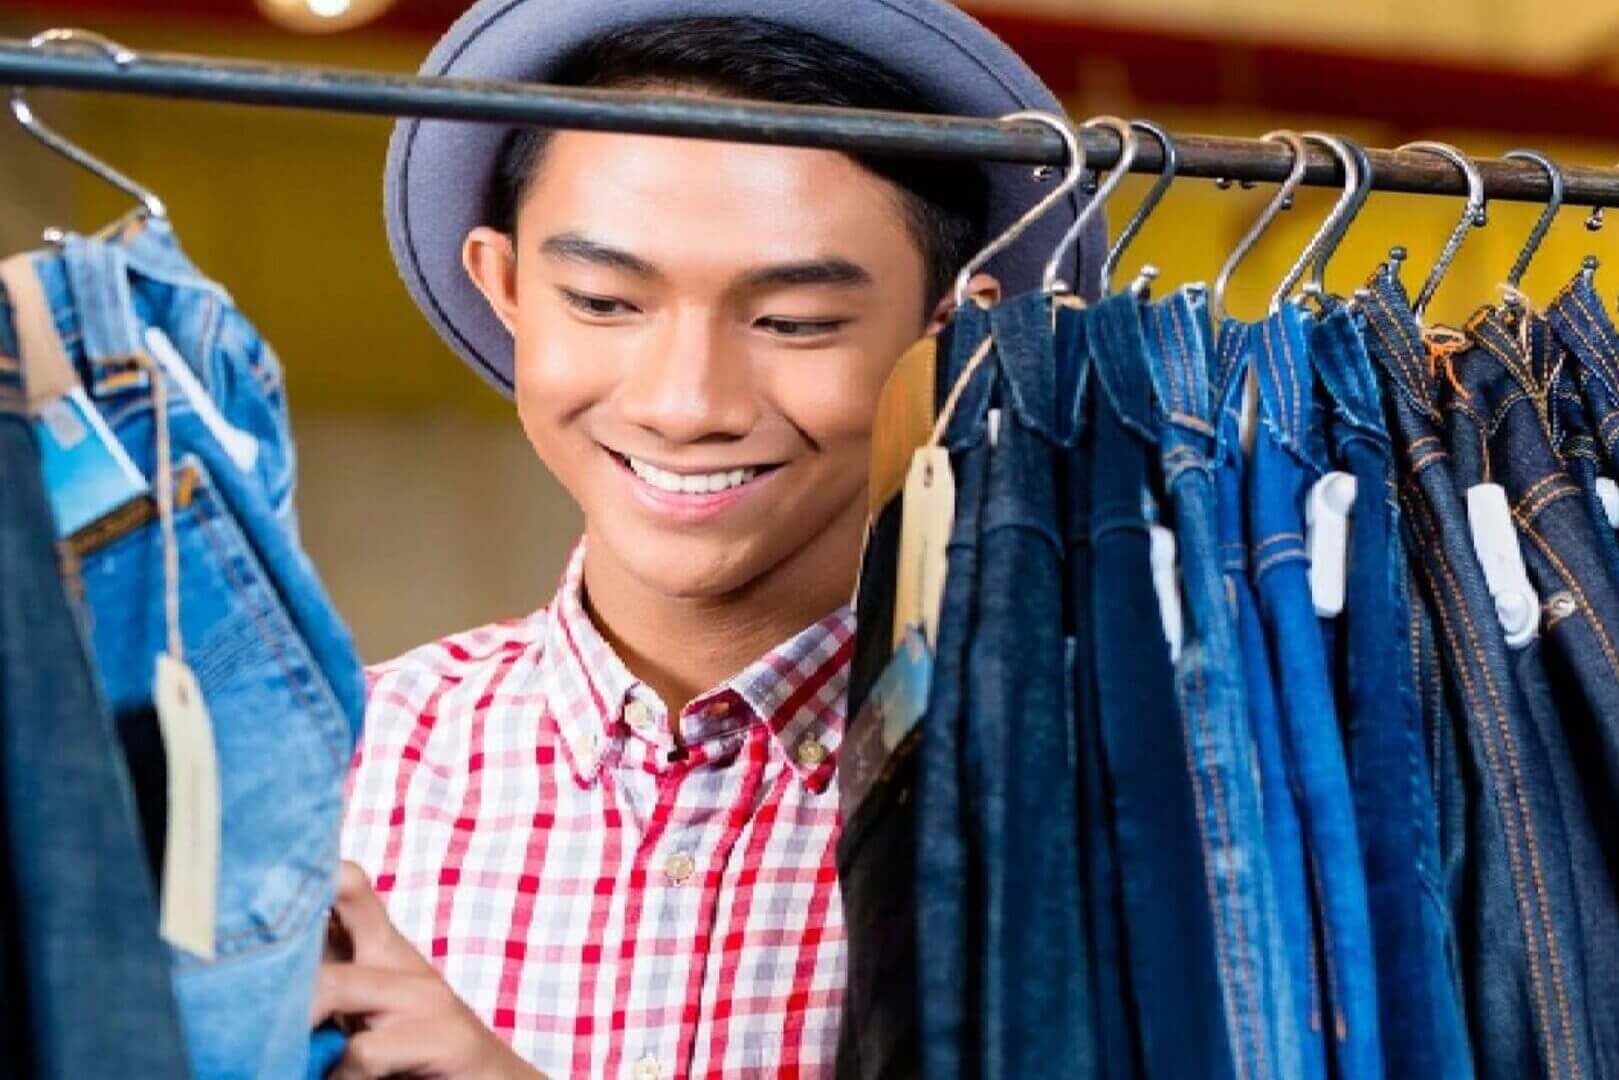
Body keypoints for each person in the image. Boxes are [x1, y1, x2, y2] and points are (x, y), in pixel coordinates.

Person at [317, 2, 1101, 1076]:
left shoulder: (1091, 795)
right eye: (602, 300)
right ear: (504, 287)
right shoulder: (334, 775)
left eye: (792, 321)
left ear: (952, 328)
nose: (686, 405)